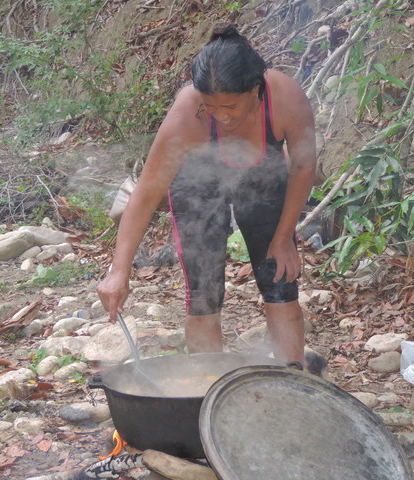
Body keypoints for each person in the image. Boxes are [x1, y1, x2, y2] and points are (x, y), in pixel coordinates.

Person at [96, 24, 316, 368]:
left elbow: (303, 168)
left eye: (230, 106)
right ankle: (208, 391)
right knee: (203, 295)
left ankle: (293, 382)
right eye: (211, 107)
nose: (221, 116)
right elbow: (145, 195)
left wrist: (285, 236)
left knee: (279, 282)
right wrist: (118, 270)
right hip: (197, 186)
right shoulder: (189, 113)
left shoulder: (286, 99)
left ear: (255, 91)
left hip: (264, 180)